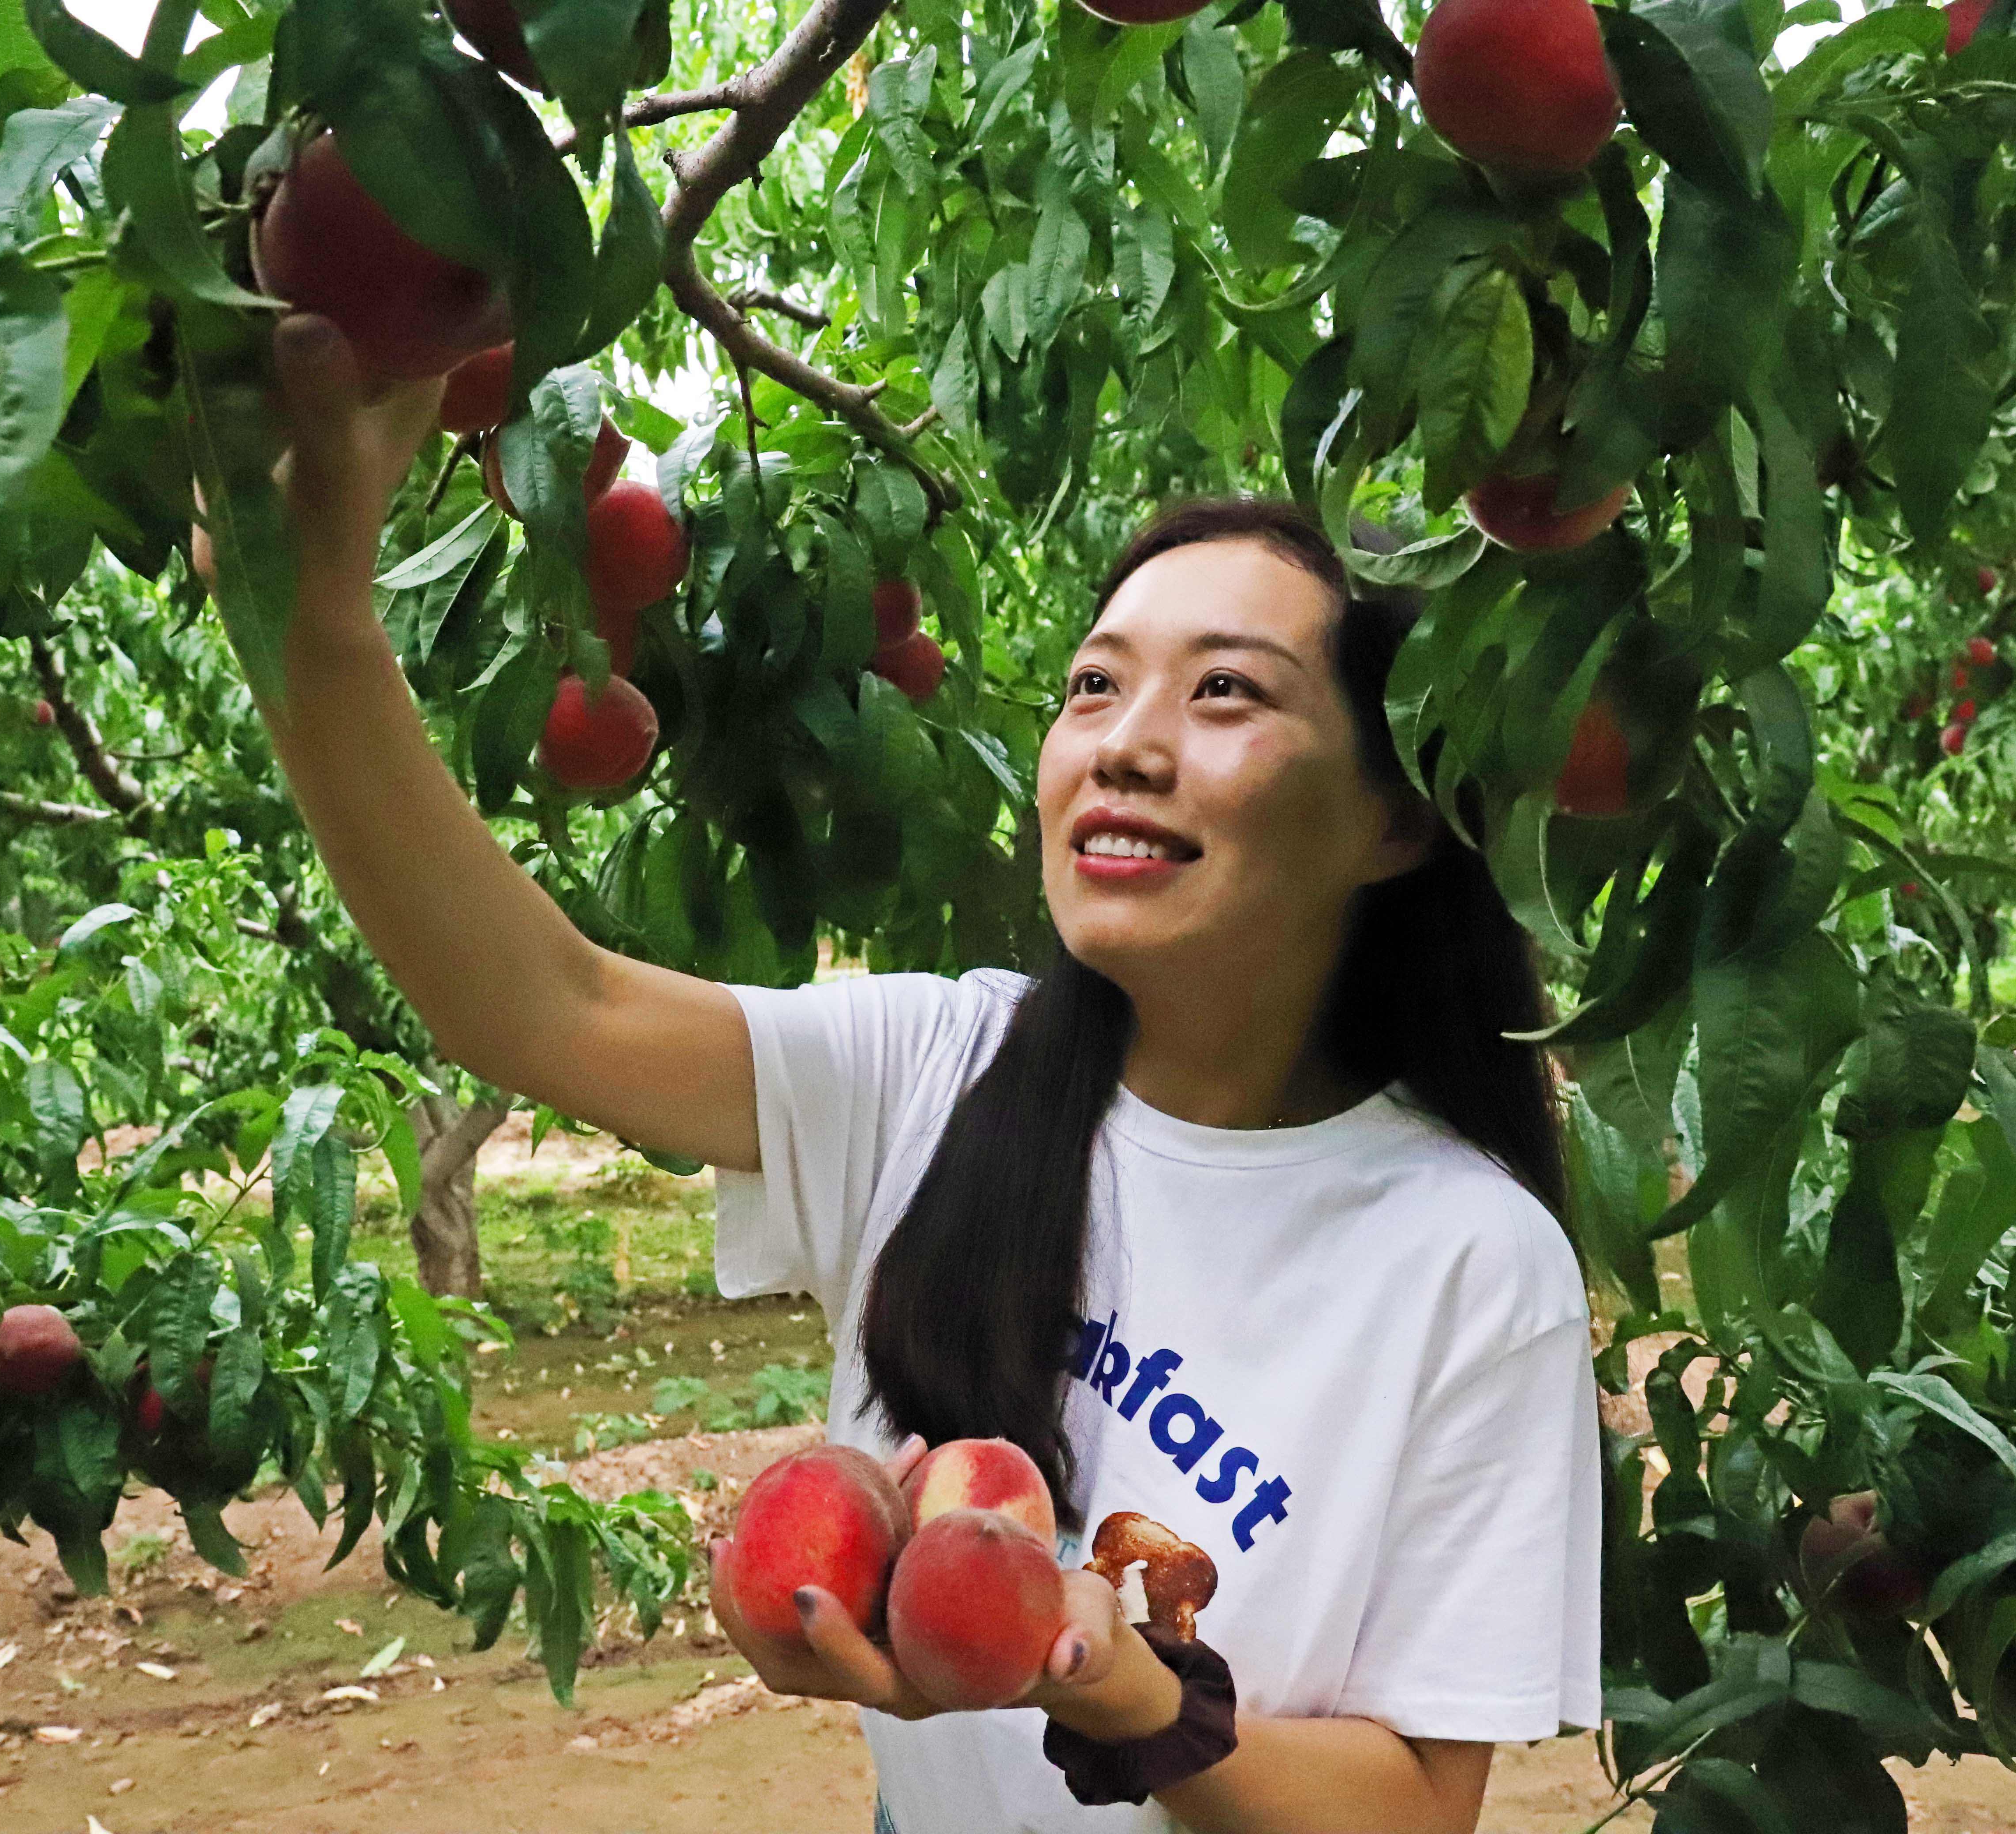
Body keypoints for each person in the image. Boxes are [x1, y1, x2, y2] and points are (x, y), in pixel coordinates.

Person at [206, 313, 1602, 1834]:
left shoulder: (1471, 1259)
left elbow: (1412, 1814)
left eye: (1227, 694)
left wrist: (1127, 1696)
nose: (1124, 746)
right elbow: (546, 1007)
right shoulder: (943, 1069)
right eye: (1093, 688)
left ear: (1395, 821)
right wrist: (313, 628)